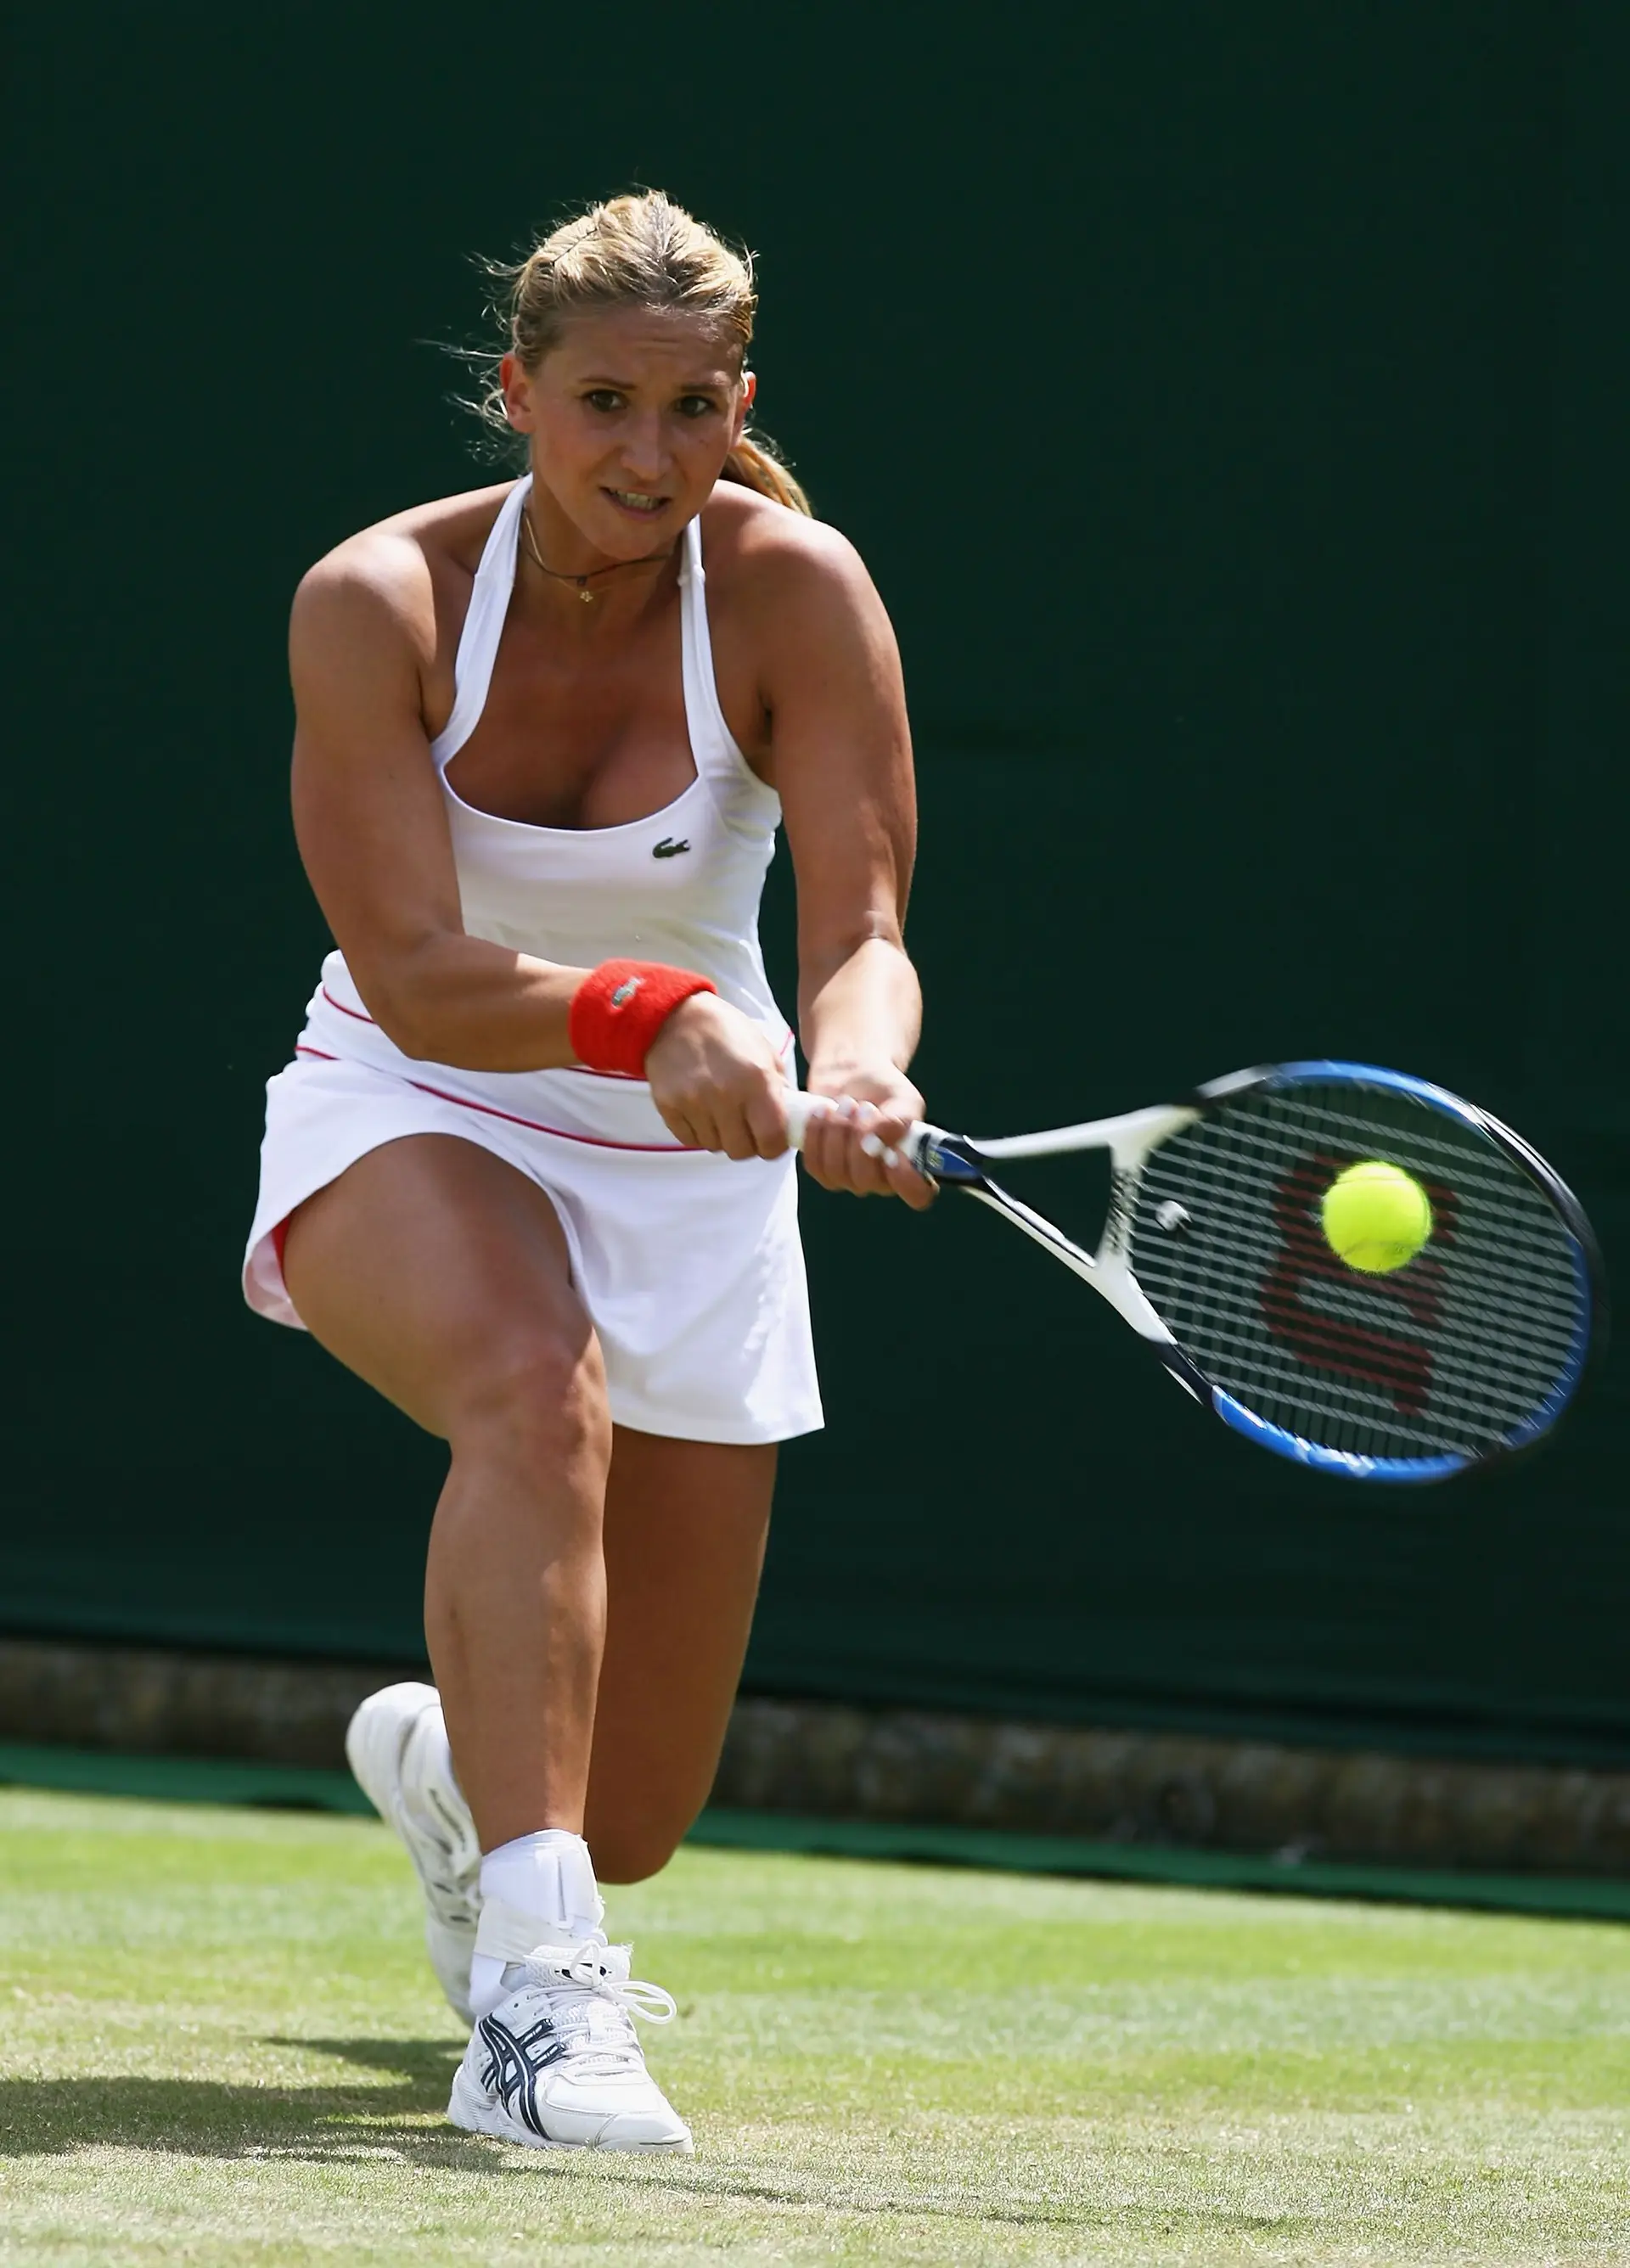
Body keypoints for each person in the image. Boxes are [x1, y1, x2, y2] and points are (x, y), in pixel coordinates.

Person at [242, 190, 930, 2155]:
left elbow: (862, 929)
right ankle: (538, 2015)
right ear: (516, 391)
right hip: (420, 1099)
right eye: (604, 401)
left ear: (742, 403)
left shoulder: (798, 589)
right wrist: (652, 1013)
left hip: (702, 1160)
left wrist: (861, 1072)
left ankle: (466, 1786)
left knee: (629, 1811)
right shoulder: (375, 599)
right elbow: (420, 976)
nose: (650, 452)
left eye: (696, 407)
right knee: (535, 1388)